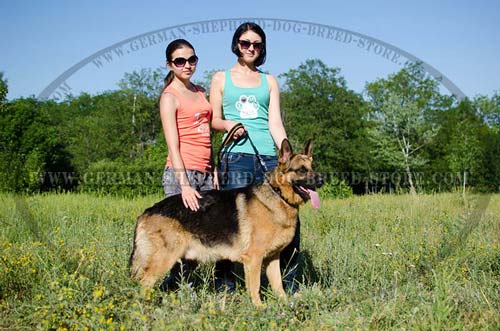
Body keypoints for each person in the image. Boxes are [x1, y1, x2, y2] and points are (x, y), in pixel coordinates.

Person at [210, 22, 300, 293]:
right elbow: (214, 119)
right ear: (236, 44)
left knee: (286, 219)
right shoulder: (220, 78)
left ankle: (289, 284)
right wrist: (228, 126)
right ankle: (225, 285)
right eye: (245, 43)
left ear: (262, 48)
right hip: (235, 157)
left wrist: (286, 155)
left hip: (268, 160)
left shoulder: (269, 80)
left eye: (256, 44)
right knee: (231, 224)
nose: (251, 48)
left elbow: (275, 123)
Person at [158, 38, 216, 291]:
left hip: (205, 173)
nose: (187, 65)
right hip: (182, 174)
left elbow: (208, 136)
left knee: (201, 240)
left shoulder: (200, 91)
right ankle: (172, 290)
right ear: (170, 64)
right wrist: (184, 185)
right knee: (181, 240)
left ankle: (182, 288)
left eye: (192, 59)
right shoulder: (169, 96)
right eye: (180, 61)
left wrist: (213, 169)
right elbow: (173, 144)